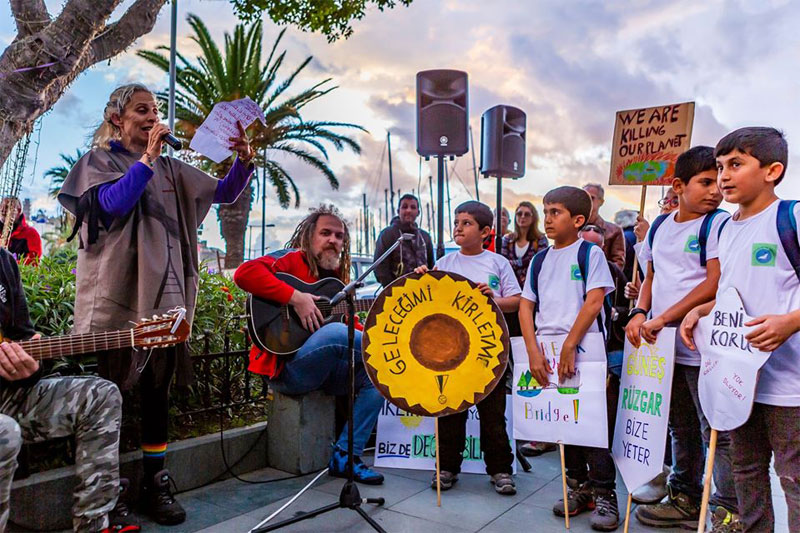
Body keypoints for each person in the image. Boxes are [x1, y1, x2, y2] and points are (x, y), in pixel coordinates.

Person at [57, 83, 255, 525]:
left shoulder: (172, 169)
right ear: (116, 119)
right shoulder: (98, 162)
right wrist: (146, 160)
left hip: (165, 304)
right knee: (113, 399)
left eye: (155, 110)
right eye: (141, 110)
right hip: (119, 301)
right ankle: (112, 490)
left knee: (156, 397)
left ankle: (155, 481)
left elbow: (221, 193)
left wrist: (243, 162)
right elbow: (110, 204)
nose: (152, 117)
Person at [682, 127, 800, 532]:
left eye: (736, 164)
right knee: (746, 471)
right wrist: (701, 311)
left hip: (789, 383)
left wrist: (791, 322)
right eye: (718, 168)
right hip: (738, 380)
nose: (724, 177)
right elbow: (733, 294)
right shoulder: (723, 229)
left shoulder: (792, 217)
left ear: (773, 170)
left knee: (793, 478)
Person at [625, 146, 739, 531]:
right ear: (678, 186)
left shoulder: (717, 224)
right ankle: (684, 496)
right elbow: (651, 279)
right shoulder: (659, 226)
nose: (714, 191)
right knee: (678, 425)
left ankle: (724, 509)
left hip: (702, 345)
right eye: (705, 182)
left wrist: (662, 318)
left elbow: (713, 282)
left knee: (716, 433)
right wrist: (640, 313)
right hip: (663, 348)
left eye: (717, 183)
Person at [234, 205, 385, 485]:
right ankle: (387, 354)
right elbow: (244, 273)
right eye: (325, 233)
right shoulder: (292, 260)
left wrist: (374, 333)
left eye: (339, 236)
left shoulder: (336, 279)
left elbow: (344, 325)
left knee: (377, 376)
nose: (333, 240)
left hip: (323, 371)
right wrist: (295, 297)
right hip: (287, 370)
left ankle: (345, 456)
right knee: (346, 336)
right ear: (309, 236)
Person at [0, 247, 133, 533]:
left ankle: (93, 525)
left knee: (102, 396)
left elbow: (23, 337)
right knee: (4, 433)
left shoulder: (3, 261)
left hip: (7, 397)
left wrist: (30, 369)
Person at [519, 186, 618, 531]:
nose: (547, 219)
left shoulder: (589, 254)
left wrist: (571, 343)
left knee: (590, 425)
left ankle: (606, 492)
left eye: (556, 212)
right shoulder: (539, 259)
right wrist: (532, 350)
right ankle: (578, 487)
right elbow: (526, 305)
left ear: (578, 220)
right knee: (562, 425)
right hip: (546, 349)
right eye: (545, 212)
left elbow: (593, 302)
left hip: (584, 347)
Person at [415, 201, 520, 495]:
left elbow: (516, 301)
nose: (458, 227)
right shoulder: (445, 264)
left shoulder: (498, 263)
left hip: (489, 353)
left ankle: (500, 469)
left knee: (493, 415)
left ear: (486, 231)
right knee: (450, 410)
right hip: (451, 353)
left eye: (467, 223)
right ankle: (447, 466)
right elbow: (429, 300)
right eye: (457, 222)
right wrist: (422, 277)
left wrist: (493, 299)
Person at [373, 193, 434, 287]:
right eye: (404, 207)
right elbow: (380, 268)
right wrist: (393, 289)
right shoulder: (387, 234)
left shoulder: (425, 237)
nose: (408, 210)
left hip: (423, 293)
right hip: (397, 294)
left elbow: (431, 266)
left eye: (413, 207)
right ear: (398, 211)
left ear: (418, 212)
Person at [500, 201, 548, 288]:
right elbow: (503, 263)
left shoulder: (540, 239)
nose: (522, 217)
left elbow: (538, 263)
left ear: (533, 217)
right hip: (509, 288)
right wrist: (525, 262)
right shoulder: (507, 239)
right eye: (519, 214)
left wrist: (514, 264)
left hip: (532, 287)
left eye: (527, 214)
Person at [583, 183, 625, 270]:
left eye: (592, 198)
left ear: (601, 202)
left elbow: (618, 263)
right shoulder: (572, 228)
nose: (587, 201)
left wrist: (600, 273)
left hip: (601, 280)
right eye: (583, 197)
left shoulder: (614, 231)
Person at [0, 197, 42, 265]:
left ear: (19, 211)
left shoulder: (31, 234)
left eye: (7, 207)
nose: (3, 210)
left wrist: (9, 265)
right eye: (1, 207)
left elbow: (33, 261)